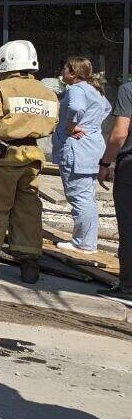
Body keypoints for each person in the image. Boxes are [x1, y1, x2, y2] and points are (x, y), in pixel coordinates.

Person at [0, 40, 59, 284]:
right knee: (28, 209)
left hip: (1, 157)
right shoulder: (47, 92)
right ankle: (29, 265)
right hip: (32, 158)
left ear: (6, 62)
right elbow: (52, 124)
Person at [53, 57, 110, 255]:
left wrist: (71, 126)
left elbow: (76, 108)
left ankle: (83, 243)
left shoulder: (76, 89)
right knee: (88, 197)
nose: (62, 70)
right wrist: (92, 126)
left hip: (77, 149)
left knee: (79, 197)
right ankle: (88, 241)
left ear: (74, 72)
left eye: (65, 68)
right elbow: (107, 109)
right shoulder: (95, 90)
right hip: (93, 147)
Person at [96, 79, 132, 306]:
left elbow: (119, 134)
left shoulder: (128, 89)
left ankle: (128, 286)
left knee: (128, 227)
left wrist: (105, 163)